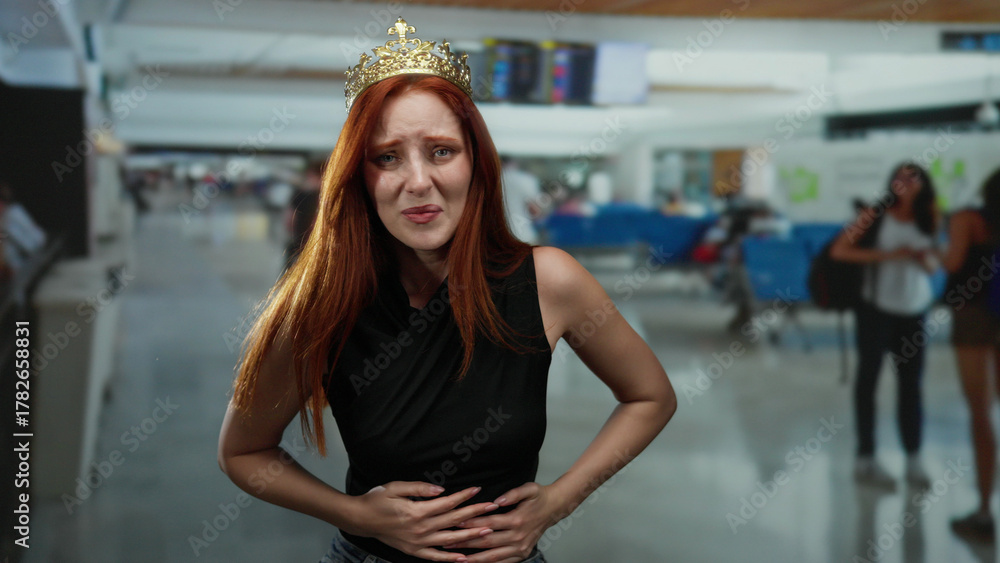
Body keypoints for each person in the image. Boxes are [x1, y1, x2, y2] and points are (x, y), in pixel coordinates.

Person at [218, 18, 676, 563]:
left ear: (476, 164)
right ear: (359, 178)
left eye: (440, 151)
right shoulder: (322, 305)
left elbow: (650, 396)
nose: (417, 181)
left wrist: (557, 502)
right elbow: (243, 452)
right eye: (387, 157)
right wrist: (356, 513)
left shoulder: (547, 281)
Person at [831, 162, 939, 490]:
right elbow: (840, 251)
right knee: (868, 381)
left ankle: (914, 459)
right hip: (875, 308)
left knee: (911, 384)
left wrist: (921, 258)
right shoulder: (874, 214)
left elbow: (934, 265)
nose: (904, 183)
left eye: (912, 178)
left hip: (914, 308)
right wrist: (888, 256)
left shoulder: (931, 216)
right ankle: (866, 457)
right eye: (899, 178)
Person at [939, 167, 1000, 542]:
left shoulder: (967, 219)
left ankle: (983, 512)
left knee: (980, 412)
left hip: (973, 316)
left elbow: (953, 262)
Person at [283, 161, 323, 270]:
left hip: (299, 242)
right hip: (318, 243)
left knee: (292, 274)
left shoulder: (299, 195)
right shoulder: (326, 196)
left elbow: (289, 220)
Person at [500, 157, 543, 244]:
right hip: (523, 235)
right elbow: (535, 210)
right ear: (514, 163)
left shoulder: (486, 180)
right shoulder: (526, 180)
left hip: (495, 238)